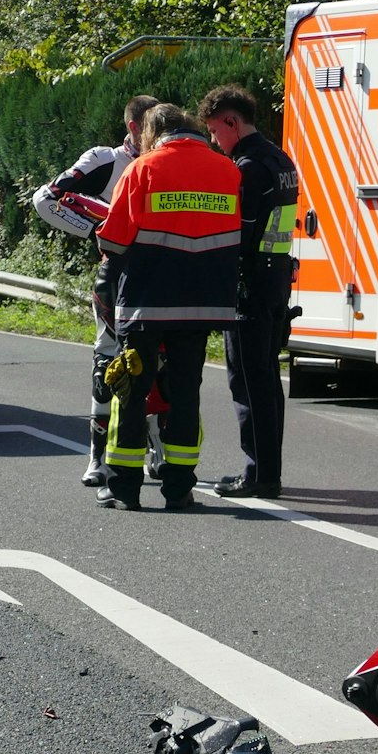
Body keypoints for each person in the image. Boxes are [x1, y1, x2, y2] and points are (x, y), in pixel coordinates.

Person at [92, 103, 242, 511]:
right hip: (203, 306)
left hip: (146, 303)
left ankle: (124, 486)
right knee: (185, 395)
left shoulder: (141, 169)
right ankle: (179, 487)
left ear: (152, 133)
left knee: (131, 391)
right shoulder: (228, 171)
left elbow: (115, 242)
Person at [36, 92, 158, 488]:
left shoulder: (163, 163)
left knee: (160, 363)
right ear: (133, 127)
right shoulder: (105, 160)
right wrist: (98, 231)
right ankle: (97, 457)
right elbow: (45, 199)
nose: (158, 134)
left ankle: (156, 450)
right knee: (106, 361)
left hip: (158, 279)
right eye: (151, 126)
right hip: (114, 277)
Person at [198, 85, 300, 499]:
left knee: (248, 381)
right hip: (276, 278)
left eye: (214, 132)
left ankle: (259, 474)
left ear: (231, 122)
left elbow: (237, 235)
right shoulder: (281, 159)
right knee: (267, 380)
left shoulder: (246, 168)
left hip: (250, 284)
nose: (213, 141)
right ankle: (268, 468)